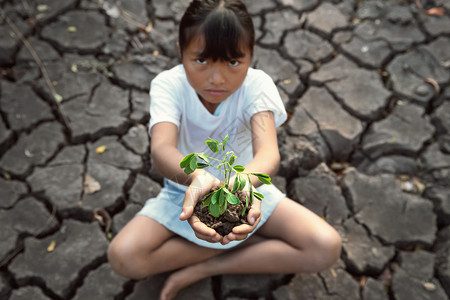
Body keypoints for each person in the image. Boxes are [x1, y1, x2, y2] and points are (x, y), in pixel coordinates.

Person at [108, 0, 341, 299]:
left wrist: (240, 187)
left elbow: (268, 154)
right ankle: (243, 239)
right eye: (201, 61)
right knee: (124, 256)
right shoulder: (169, 85)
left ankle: (209, 266)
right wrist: (198, 179)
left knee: (325, 246)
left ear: (251, 56)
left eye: (233, 63)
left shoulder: (256, 86)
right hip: (185, 193)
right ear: (181, 51)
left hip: (245, 189)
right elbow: (162, 149)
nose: (217, 78)